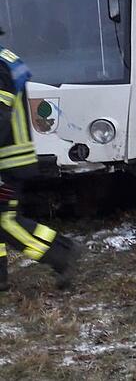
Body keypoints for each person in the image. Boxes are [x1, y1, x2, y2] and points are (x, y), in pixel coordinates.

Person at [0, 45, 83, 292]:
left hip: (8, 161)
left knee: (6, 221)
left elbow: (0, 116)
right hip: (11, 157)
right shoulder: (5, 59)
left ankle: (62, 253)